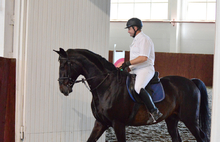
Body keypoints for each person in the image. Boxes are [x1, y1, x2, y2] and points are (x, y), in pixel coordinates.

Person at [119, 18, 162, 124]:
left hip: (145, 69)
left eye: (129, 29)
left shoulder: (144, 39)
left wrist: (127, 63)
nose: (128, 31)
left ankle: (154, 111)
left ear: (135, 28)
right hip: (135, 69)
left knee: (138, 88)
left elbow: (143, 58)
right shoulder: (136, 40)